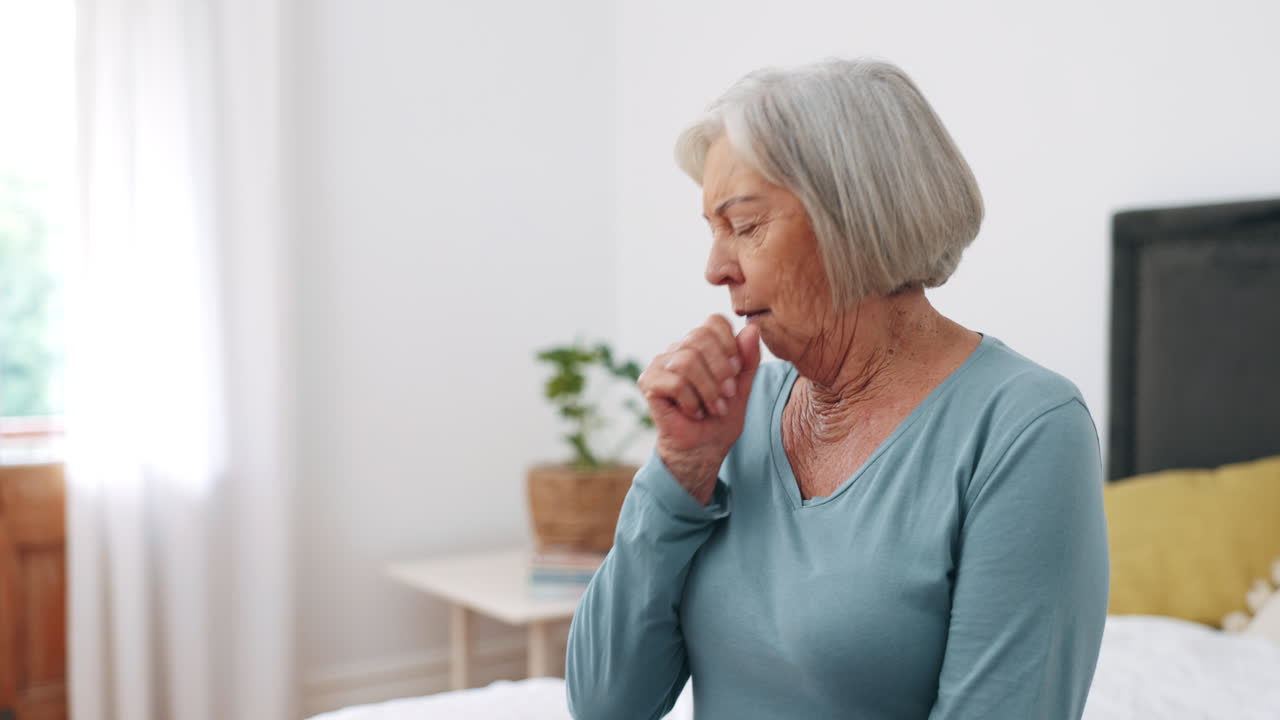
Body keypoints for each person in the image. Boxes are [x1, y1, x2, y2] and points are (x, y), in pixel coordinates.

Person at [565, 58, 1109, 720]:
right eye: (711, 231)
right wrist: (682, 469)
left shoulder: (1024, 428)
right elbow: (603, 705)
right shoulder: (738, 416)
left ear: (854, 218)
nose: (714, 269)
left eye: (743, 225)